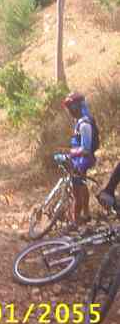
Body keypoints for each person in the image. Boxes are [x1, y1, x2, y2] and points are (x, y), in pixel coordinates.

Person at [62, 92, 98, 228]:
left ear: (76, 107)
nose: (69, 111)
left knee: (76, 191)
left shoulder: (84, 124)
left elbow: (86, 149)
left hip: (82, 160)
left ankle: (75, 221)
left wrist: (70, 153)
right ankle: (86, 214)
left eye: (70, 107)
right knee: (82, 186)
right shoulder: (80, 121)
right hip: (80, 159)